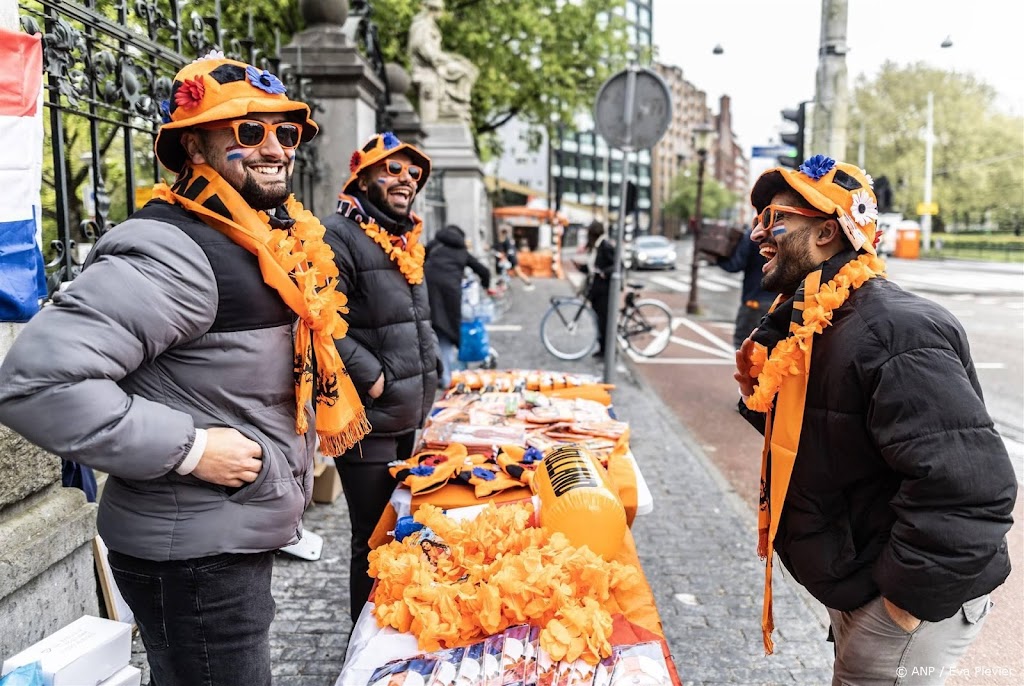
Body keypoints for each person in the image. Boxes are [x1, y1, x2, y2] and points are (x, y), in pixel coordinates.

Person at [0, 55, 368, 685]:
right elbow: (37, 382)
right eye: (248, 133)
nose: (275, 147)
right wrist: (192, 449)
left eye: (287, 131)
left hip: (222, 541)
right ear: (194, 146)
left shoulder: (253, 238)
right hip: (195, 555)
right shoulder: (175, 249)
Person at [733, 155, 1016, 684]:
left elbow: (972, 493)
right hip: (862, 581)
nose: (758, 234)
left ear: (824, 232)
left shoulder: (895, 332)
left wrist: (898, 607)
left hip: (909, 603)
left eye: (774, 218)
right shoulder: (812, 326)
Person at [322, 131, 440, 621]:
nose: (406, 180)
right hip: (368, 416)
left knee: (399, 532)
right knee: (372, 538)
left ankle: (390, 628)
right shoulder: (338, 234)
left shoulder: (403, 237)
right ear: (362, 176)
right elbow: (321, 319)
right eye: (392, 169)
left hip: (407, 414)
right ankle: (362, 645)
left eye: (413, 174)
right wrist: (376, 378)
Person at [425, 223, 491, 389]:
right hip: (450, 297)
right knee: (446, 333)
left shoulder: (434, 245)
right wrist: (486, 286)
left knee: (428, 333)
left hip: (426, 294)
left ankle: (434, 374)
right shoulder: (461, 252)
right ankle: (446, 377)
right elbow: (484, 271)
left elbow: (418, 260)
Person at [709, 226, 777, 350]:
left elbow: (734, 265)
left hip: (754, 302)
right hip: (780, 303)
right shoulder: (789, 233)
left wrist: (717, 256)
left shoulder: (754, 236)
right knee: (774, 348)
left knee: (743, 346)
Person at [582, 221, 616, 357]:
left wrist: (603, 273)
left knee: (604, 320)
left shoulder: (605, 246)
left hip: (603, 290)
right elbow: (594, 267)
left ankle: (606, 350)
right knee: (600, 319)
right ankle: (603, 348)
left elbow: (616, 266)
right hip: (597, 289)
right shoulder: (597, 247)